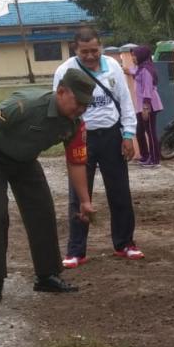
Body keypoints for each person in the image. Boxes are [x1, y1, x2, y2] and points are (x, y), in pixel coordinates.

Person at [0, 69, 96, 304]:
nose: (81, 110)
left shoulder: (75, 124)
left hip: (25, 161)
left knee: (42, 211)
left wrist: (85, 201)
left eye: (86, 105)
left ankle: (46, 275)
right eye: (78, 103)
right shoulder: (28, 105)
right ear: (62, 92)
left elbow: (76, 163)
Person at [51, 27, 144, 268]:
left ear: (100, 46)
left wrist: (128, 134)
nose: (90, 56)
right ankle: (76, 250)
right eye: (85, 52)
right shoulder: (65, 70)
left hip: (112, 135)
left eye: (94, 50)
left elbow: (125, 100)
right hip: (80, 138)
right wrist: (67, 136)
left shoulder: (113, 66)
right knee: (79, 195)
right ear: (75, 50)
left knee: (120, 191)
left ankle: (125, 244)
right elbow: (59, 104)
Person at [131, 45, 163, 167]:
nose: (133, 58)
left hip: (149, 105)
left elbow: (148, 88)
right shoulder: (141, 68)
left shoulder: (146, 70)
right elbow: (134, 73)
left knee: (150, 132)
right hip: (141, 106)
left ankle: (155, 160)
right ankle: (145, 155)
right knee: (139, 131)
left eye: (134, 55)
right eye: (132, 56)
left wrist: (146, 107)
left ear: (141, 56)